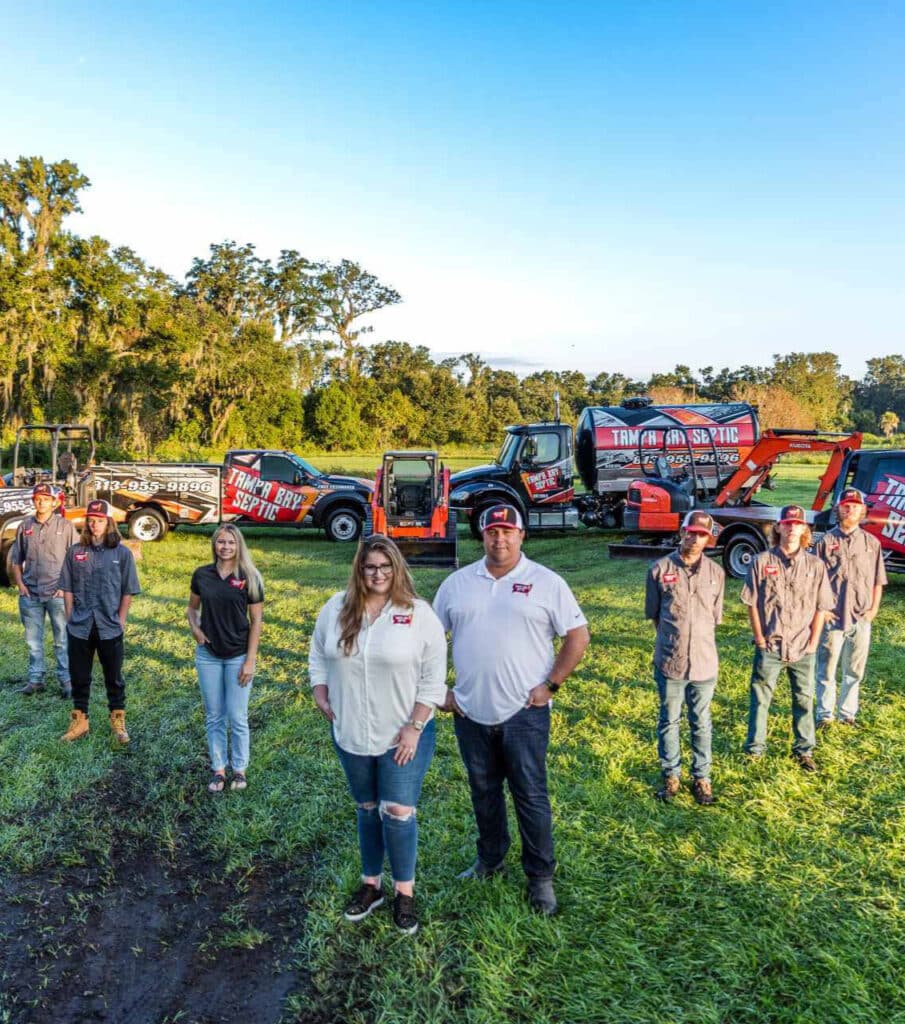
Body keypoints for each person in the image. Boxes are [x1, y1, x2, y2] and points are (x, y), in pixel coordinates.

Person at [433, 503, 590, 916]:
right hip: (470, 713)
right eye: (491, 532)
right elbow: (429, 641)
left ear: (522, 536)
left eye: (507, 531)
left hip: (524, 714)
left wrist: (551, 685)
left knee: (530, 795)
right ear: (482, 536)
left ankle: (540, 878)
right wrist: (439, 692)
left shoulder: (546, 582)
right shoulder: (457, 584)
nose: (499, 538)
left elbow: (578, 635)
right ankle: (490, 859)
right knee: (483, 793)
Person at [309, 534, 447, 935]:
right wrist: (319, 689)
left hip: (402, 735)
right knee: (367, 807)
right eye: (370, 567)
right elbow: (318, 653)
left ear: (397, 568)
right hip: (351, 730)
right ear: (359, 568)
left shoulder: (418, 613)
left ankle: (405, 892)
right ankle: (373, 884)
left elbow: (433, 678)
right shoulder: (336, 608)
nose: (378, 574)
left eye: (385, 567)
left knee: (398, 811)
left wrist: (415, 727)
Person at [742, 504, 834, 771]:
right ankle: (755, 750)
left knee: (804, 698)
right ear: (779, 527)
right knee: (761, 698)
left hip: (803, 645)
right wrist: (759, 639)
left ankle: (804, 750)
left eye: (798, 524)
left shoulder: (816, 565)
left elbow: (821, 606)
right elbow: (752, 603)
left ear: (805, 529)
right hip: (770, 644)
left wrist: (814, 642)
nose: (792, 528)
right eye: (787, 523)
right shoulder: (761, 562)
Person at [645, 510, 725, 805]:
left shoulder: (717, 574)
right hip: (670, 660)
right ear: (681, 532)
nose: (694, 539)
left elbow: (714, 618)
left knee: (701, 722)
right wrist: (673, 640)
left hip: (704, 662)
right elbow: (655, 615)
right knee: (669, 720)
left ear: (708, 537)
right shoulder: (659, 569)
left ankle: (702, 777)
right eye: (690, 532)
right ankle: (671, 775)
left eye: (701, 534)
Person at [187, 523, 264, 793]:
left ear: (238, 545)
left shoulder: (250, 577)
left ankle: (240, 770)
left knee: (237, 715)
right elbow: (192, 609)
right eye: (221, 542)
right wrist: (195, 629)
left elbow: (256, 622)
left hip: (238, 655)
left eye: (231, 542)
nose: (226, 547)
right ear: (214, 544)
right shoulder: (202, 575)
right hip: (208, 655)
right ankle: (219, 769)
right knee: (214, 715)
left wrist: (250, 661)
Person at [58, 499, 141, 744]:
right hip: (80, 625)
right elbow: (67, 587)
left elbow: (128, 590)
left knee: (113, 676)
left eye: (100, 520)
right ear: (86, 523)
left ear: (109, 523)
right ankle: (80, 720)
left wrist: (121, 620)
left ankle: (117, 721)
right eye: (91, 520)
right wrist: (70, 616)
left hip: (109, 625)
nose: (95, 525)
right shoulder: (75, 552)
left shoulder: (122, 553)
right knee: (79, 675)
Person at [814, 487, 887, 729]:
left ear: (862, 510)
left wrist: (873, 610)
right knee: (826, 669)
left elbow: (878, 580)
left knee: (854, 670)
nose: (850, 509)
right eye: (846, 505)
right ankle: (825, 715)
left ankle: (847, 715)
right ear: (838, 508)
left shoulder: (871, 543)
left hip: (861, 618)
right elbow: (814, 582)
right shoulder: (824, 543)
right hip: (832, 618)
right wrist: (822, 610)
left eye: (855, 506)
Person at [10, 483, 79, 697]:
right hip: (30, 594)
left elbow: (77, 560)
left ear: (54, 502)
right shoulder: (25, 526)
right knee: (33, 641)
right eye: (38, 498)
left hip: (57, 594)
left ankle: (66, 681)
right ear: (33, 501)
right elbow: (15, 559)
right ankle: (35, 680)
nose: (41, 502)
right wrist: (21, 585)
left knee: (62, 640)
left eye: (46, 498)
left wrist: (66, 588)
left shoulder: (66, 527)